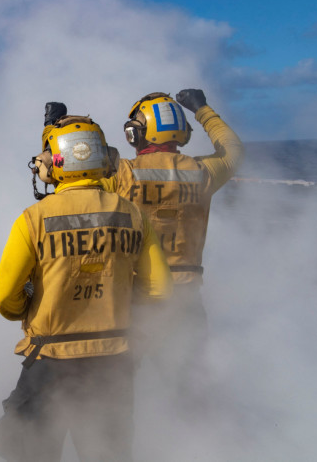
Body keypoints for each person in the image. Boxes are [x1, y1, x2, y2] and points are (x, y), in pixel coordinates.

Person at [0, 113, 173, 462]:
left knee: (27, 448)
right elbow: (160, 291)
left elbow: (4, 295)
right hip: (113, 362)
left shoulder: (34, 218)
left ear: (53, 163)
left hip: (50, 361)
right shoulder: (134, 215)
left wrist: (23, 308)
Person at [104, 90, 244, 402]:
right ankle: (198, 444)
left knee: (115, 389)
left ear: (137, 134)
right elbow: (233, 152)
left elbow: (74, 175)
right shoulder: (201, 173)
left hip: (133, 297)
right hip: (185, 301)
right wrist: (202, 109)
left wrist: (53, 128)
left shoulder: (122, 174)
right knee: (190, 388)